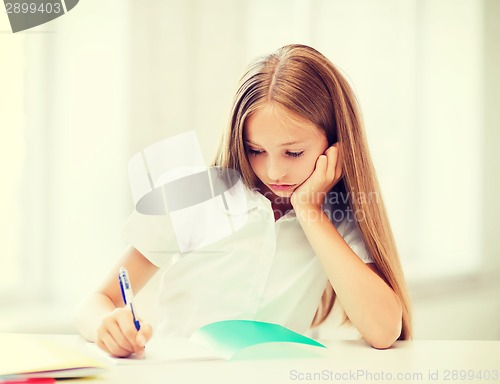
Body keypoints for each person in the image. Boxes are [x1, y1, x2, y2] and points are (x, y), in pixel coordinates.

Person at [76, 44, 412, 357]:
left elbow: (383, 330)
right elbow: (99, 300)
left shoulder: (337, 216)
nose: (274, 170)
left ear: (335, 145)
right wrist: (106, 326)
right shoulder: (193, 196)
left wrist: (309, 210)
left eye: (293, 152)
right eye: (256, 150)